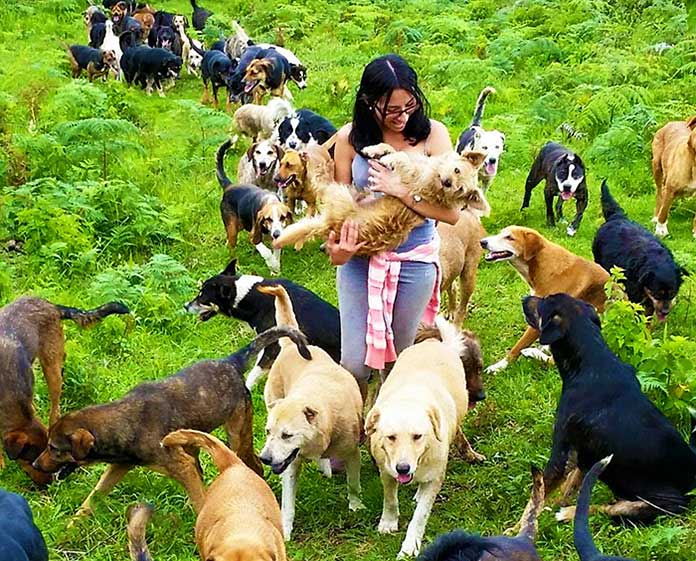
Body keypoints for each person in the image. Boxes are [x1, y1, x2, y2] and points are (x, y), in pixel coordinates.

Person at [327, 53, 460, 397]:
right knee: (354, 364)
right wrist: (338, 251)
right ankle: (350, 431)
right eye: (392, 110)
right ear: (369, 103)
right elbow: (337, 208)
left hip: (413, 260)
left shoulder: (433, 136)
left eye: (409, 107)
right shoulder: (349, 139)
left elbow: (451, 214)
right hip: (361, 259)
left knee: (398, 362)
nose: (402, 117)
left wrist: (402, 192)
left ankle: (391, 430)